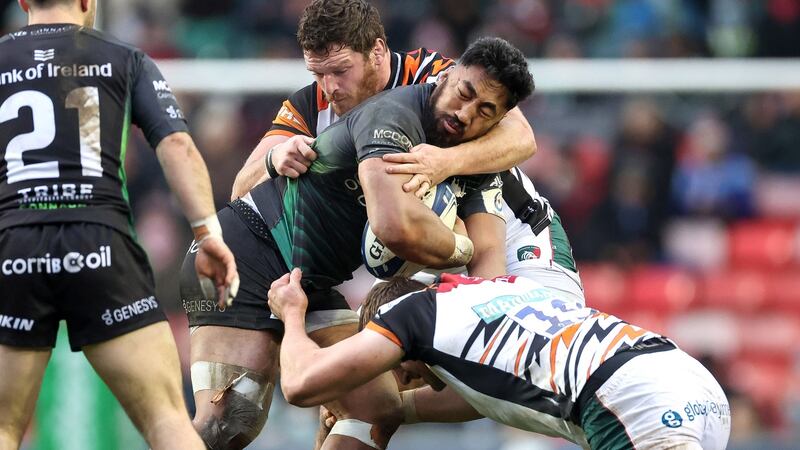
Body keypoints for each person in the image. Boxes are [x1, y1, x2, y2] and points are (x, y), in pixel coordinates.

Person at [180, 36, 535, 449]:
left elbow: (488, 274)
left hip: (309, 280)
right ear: (449, 74)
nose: (465, 112)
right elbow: (392, 228)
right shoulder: (393, 114)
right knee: (227, 423)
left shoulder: (477, 160)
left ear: (501, 119)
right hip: (246, 253)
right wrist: (460, 246)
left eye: (485, 110)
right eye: (465, 93)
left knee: (378, 411)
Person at [231, 0, 584, 306]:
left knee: (531, 363)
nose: (330, 87)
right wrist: (273, 160)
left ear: (378, 52)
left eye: (340, 71)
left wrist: (443, 162)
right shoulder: (309, 107)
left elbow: (522, 137)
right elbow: (241, 192)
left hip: (518, 235)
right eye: (318, 73)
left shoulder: (430, 75)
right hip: (431, 249)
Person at [0, 1, 239, 449]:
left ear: (23, 2)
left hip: (15, 247)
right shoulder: (124, 58)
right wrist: (208, 234)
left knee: (3, 427)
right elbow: (178, 146)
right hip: (101, 244)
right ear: (88, 2)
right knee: (165, 418)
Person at [268, 270, 732, 450]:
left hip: (629, 403)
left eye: (399, 371)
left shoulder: (406, 313)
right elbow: (481, 400)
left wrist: (292, 315)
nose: (407, 381)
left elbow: (301, 384)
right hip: (691, 383)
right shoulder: (504, 287)